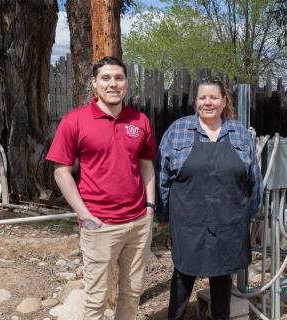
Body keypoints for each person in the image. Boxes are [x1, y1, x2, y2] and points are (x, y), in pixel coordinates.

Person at [46, 56, 156, 320]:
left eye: (119, 78)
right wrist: (84, 214)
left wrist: (150, 207)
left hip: (138, 223)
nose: (113, 84)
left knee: (132, 294)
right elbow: (61, 172)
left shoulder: (139, 120)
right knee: (95, 299)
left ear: (127, 83)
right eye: (106, 78)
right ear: (94, 83)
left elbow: (147, 165)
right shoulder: (75, 120)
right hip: (99, 224)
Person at [156, 76, 262, 320]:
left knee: (222, 275)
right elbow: (163, 176)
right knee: (184, 274)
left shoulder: (241, 134)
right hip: (188, 220)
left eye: (214, 97)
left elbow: (254, 179)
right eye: (202, 97)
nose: (208, 102)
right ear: (196, 102)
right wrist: (163, 214)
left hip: (229, 219)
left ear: (224, 101)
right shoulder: (178, 130)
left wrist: (252, 212)